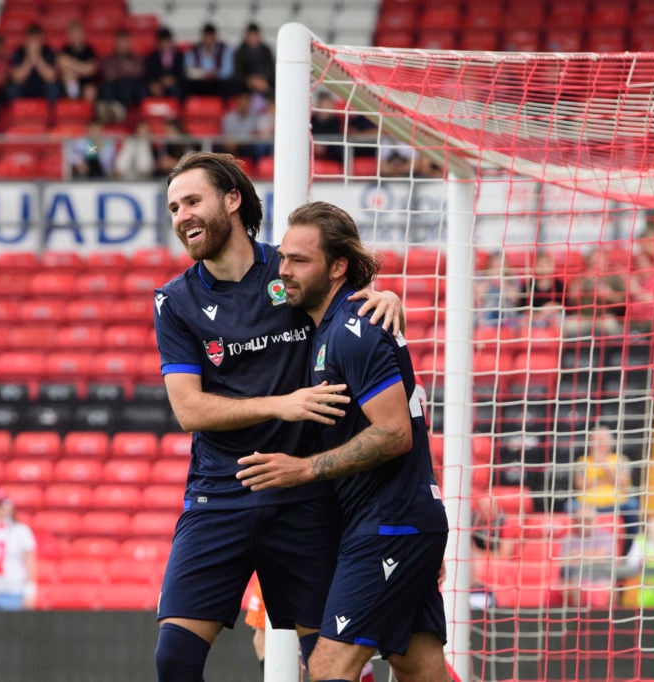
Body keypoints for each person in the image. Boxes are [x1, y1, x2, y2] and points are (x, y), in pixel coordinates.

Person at [153, 152, 404, 681]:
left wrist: (380, 297)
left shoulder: (290, 269)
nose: (182, 216)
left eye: (192, 201)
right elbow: (187, 409)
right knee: (173, 658)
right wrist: (280, 404)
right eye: (174, 207)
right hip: (220, 493)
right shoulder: (175, 302)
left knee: (335, 666)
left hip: (305, 497)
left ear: (232, 199)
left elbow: (345, 304)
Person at [236, 201, 450, 682]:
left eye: (299, 261)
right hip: (397, 522)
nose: (284, 271)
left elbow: (394, 432)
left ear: (338, 267)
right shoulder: (331, 326)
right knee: (419, 668)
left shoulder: (354, 332)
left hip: (390, 524)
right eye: (283, 258)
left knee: (331, 667)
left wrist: (304, 468)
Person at [573, 424, 640, 553]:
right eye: (596, 441)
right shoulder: (583, 461)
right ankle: (578, 548)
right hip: (589, 503)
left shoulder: (620, 460)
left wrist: (604, 465)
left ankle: (628, 551)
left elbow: (622, 483)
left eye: (602, 441)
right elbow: (580, 485)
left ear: (610, 443)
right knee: (570, 506)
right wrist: (608, 479)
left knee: (633, 506)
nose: (599, 444)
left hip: (616, 503)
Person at [559, 504, 619, 609]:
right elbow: (564, 563)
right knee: (570, 585)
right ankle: (576, 620)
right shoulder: (568, 539)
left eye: (587, 520)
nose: (583, 523)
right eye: (579, 520)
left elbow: (606, 559)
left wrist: (578, 555)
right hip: (575, 579)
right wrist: (594, 556)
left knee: (602, 589)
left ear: (594, 520)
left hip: (601, 579)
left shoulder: (606, 536)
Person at [96, 29, 147, 124]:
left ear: (129, 43)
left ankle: (119, 110)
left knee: (125, 83)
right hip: (113, 88)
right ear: (115, 43)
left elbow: (138, 72)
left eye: (124, 42)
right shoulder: (108, 58)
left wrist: (118, 72)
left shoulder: (137, 58)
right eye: (120, 42)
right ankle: (107, 109)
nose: (122, 45)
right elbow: (105, 71)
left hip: (130, 89)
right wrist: (125, 69)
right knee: (107, 85)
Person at [10, 24, 60, 104]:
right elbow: (17, 78)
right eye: (32, 39)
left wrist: (37, 58)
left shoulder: (48, 51)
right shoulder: (19, 52)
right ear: (27, 40)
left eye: (37, 40)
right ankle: (16, 113)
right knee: (12, 89)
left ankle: (51, 114)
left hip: (43, 85)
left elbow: (51, 77)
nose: (34, 43)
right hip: (25, 85)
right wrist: (29, 58)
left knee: (54, 88)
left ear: (41, 40)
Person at [183, 23, 233, 98]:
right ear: (203, 37)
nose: (209, 41)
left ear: (215, 37)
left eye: (211, 37)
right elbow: (189, 70)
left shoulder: (224, 50)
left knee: (228, 85)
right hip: (199, 83)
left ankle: (223, 108)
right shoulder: (193, 50)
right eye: (207, 37)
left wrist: (216, 74)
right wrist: (203, 74)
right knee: (186, 84)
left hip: (217, 82)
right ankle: (191, 107)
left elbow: (228, 71)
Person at [57, 20, 98, 102]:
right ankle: (74, 106)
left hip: (86, 82)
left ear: (82, 34)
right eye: (73, 33)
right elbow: (62, 64)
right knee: (68, 77)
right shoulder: (65, 49)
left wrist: (71, 65)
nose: (76, 36)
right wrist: (83, 68)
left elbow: (91, 70)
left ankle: (87, 113)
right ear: (69, 35)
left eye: (78, 33)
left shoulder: (89, 50)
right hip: (69, 82)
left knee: (90, 91)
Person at [232, 23, 275, 102]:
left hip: (264, 83)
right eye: (251, 35)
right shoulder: (240, 52)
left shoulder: (266, 51)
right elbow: (237, 73)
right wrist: (249, 80)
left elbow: (271, 70)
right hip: (245, 86)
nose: (253, 38)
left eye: (255, 35)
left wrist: (263, 80)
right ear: (246, 36)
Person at [145, 27, 185, 99]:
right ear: (158, 43)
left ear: (171, 42)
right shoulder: (152, 57)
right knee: (146, 90)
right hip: (158, 83)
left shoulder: (179, 56)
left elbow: (182, 73)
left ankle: (176, 109)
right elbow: (149, 74)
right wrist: (156, 82)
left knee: (177, 90)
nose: (165, 45)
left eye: (167, 41)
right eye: (162, 42)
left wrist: (173, 80)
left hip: (175, 83)